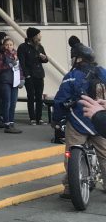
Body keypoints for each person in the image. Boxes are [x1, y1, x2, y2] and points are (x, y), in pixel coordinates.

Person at [53, 43, 106, 199]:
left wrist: (56, 120)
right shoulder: (102, 72)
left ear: (78, 59)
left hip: (78, 122)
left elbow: (60, 101)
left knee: (71, 153)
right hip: (100, 120)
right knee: (104, 155)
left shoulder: (71, 76)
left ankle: (70, 188)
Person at [18, 27, 49, 125]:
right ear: (33, 36)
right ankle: (32, 118)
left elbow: (45, 60)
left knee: (39, 97)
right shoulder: (23, 47)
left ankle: (39, 118)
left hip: (39, 74)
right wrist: (26, 75)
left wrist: (44, 58)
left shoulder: (39, 46)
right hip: (30, 75)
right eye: (38, 35)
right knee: (31, 96)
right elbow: (22, 63)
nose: (40, 37)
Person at [0, 37, 22, 132]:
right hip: (5, 81)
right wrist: (9, 65)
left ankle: (11, 122)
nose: (9, 46)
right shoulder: (1, 55)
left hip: (15, 81)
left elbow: (19, 68)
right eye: (7, 45)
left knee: (13, 103)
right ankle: (6, 123)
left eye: (11, 45)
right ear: (3, 46)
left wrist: (22, 79)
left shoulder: (16, 55)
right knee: (6, 102)